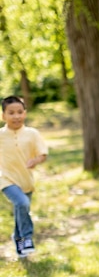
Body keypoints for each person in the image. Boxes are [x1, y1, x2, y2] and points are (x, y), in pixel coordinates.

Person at [0, 96, 48, 258]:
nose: (16, 116)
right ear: (3, 116)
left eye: (20, 112)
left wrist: (35, 160)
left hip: (26, 181)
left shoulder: (32, 134)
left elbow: (42, 153)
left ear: (25, 113)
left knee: (21, 210)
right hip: (5, 179)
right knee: (22, 203)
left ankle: (18, 240)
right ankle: (27, 238)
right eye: (11, 113)